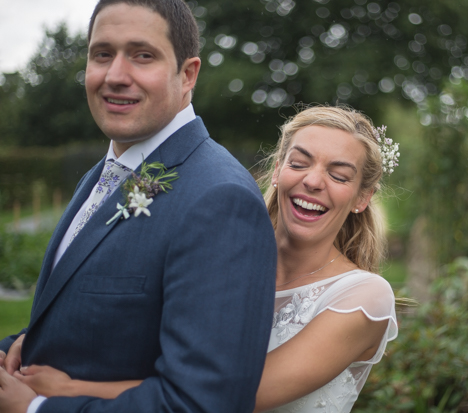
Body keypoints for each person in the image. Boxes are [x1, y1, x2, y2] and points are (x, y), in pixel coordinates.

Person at [7, 106, 398, 413]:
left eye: (339, 175)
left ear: (362, 198)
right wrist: (48, 335)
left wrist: (68, 391)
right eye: (299, 163)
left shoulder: (364, 298)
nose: (313, 181)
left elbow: (229, 393)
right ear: (277, 170)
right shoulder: (217, 249)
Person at [0, 0, 277, 412]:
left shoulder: (221, 199)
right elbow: (78, 319)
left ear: (187, 74)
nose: (114, 76)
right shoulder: (102, 175)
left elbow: (202, 402)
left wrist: (35, 409)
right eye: (102, 54)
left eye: (142, 55)